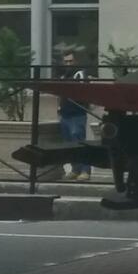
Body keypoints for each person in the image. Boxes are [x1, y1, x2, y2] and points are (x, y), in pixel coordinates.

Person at [58, 50, 91, 181]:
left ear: (76, 61)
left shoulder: (80, 73)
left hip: (77, 112)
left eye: (71, 61)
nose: (68, 64)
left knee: (79, 141)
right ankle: (75, 169)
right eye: (66, 61)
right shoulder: (64, 75)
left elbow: (83, 89)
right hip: (66, 113)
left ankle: (85, 170)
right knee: (69, 143)